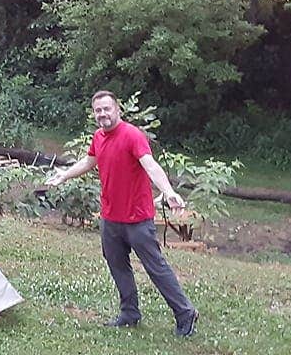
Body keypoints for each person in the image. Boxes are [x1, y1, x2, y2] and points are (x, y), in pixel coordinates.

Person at [43, 90, 199, 337]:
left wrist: (168, 192)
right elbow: (89, 161)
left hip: (137, 219)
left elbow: (150, 165)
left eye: (107, 109)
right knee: (117, 264)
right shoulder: (98, 137)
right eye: (98, 110)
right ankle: (129, 313)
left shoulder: (132, 135)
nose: (102, 114)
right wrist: (64, 175)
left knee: (155, 267)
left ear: (117, 110)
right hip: (110, 218)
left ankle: (185, 313)